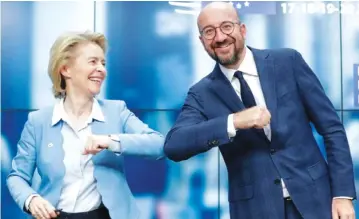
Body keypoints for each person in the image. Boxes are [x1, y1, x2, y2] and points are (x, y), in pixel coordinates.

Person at [164, 2, 356, 219]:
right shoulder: (201, 93)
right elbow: (174, 145)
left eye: (227, 26)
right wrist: (234, 122)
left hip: (317, 200)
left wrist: (342, 194)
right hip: (255, 211)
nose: (219, 37)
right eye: (209, 31)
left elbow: (332, 129)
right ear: (202, 41)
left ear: (242, 30)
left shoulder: (288, 61)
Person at [7, 31, 165, 219]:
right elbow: (17, 176)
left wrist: (111, 141)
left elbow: (159, 145)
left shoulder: (117, 111)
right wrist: (31, 199)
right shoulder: (38, 121)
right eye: (93, 62)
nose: (101, 69)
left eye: (103, 63)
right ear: (66, 70)